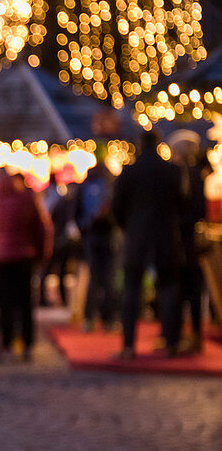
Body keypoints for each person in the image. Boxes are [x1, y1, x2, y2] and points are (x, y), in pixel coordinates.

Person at [111, 129, 185, 358]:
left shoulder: (130, 171)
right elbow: (182, 203)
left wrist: (130, 227)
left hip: (137, 236)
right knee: (169, 287)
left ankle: (128, 345)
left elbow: (117, 207)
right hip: (165, 235)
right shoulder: (171, 170)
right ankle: (171, 342)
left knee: (132, 290)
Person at [0, 168, 53, 362]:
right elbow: (41, 228)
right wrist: (42, 254)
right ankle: (27, 345)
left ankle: (6, 345)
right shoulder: (27, 198)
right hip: (24, 256)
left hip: (0, 258)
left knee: (4, 302)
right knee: (25, 302)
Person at [174, 142, 208, 353]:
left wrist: (178, 222)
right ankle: (186, 335)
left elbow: (198, 209)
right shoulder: (188, 174)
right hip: (185, 241)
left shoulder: (191, 175)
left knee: (190, 290)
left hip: (187, 242)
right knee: (187, 289)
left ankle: (193, 335)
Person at [76, 163, 116, 332]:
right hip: (108, 235)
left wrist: (84, 229)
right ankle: (108, 320)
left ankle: (89, 319)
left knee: (93, 278)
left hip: (91, 236)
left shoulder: (85, 185)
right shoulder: (109, 184)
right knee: (108, 278)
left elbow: (76, 212)